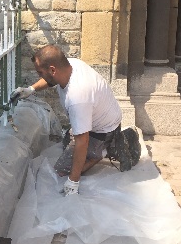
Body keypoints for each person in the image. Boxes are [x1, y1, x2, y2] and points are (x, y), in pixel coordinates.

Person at [12, 45, 123, 196]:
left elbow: (82, 140)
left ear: (52, 70)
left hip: (103, 130)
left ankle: (105, 149)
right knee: (67, 144)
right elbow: (50, 80)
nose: (39, 76)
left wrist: (73, 181)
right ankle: (103, 145)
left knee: (63, 169)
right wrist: (31, 89)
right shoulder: (69, 65)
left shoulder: (78, 97)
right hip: (100, 118)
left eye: (40, 72)